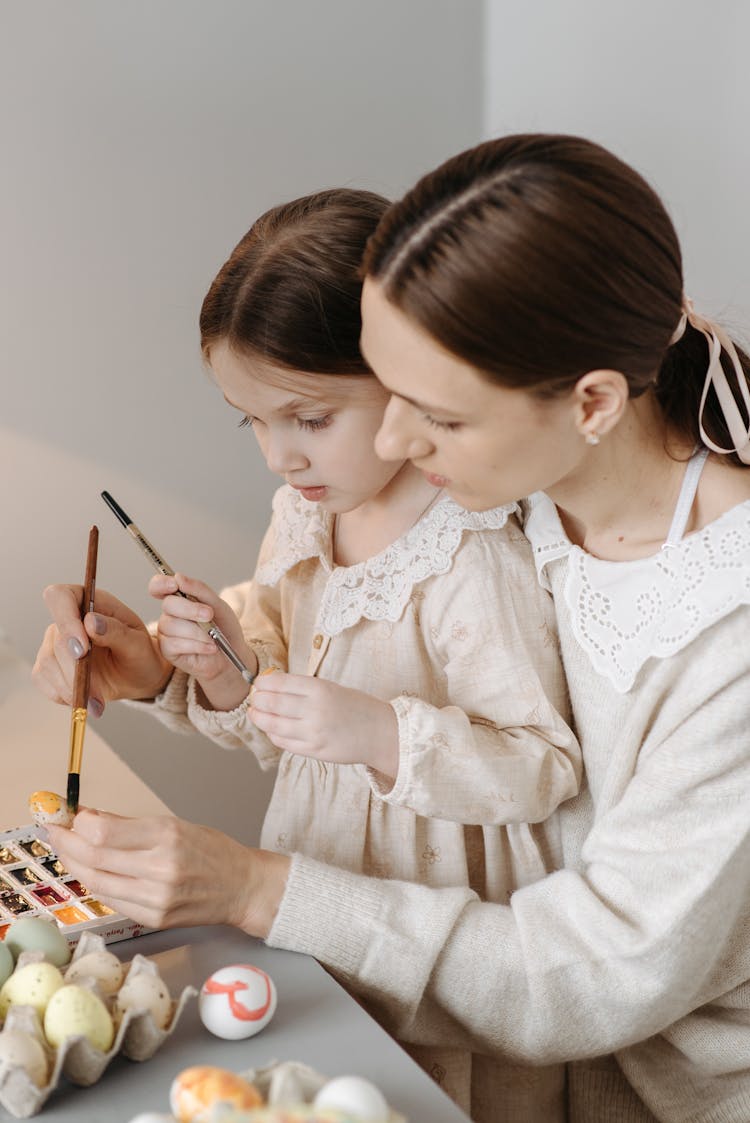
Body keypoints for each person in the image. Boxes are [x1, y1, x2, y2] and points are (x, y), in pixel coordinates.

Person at [33, 135, 750, 1122]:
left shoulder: (722, 641)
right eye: (389, 392)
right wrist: (169, 666)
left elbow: (589, 970)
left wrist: (258, 885)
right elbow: (348, 624)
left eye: (438, 419)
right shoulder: (527, 457)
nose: (399, 447)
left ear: (589, 402)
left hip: (662, 1091)